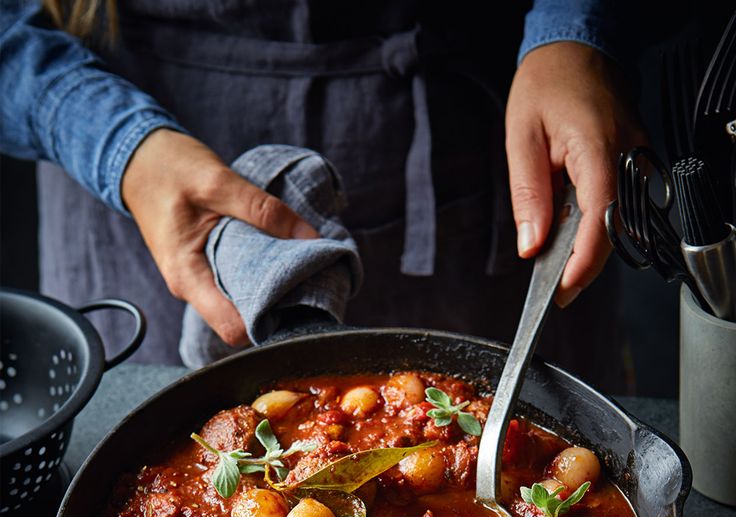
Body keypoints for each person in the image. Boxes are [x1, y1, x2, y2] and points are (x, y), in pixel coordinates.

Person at [0, 1, 645, 387]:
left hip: (481, 136)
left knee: (547, 425)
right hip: (134, 165)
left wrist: (576, 32)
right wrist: (117, 144)